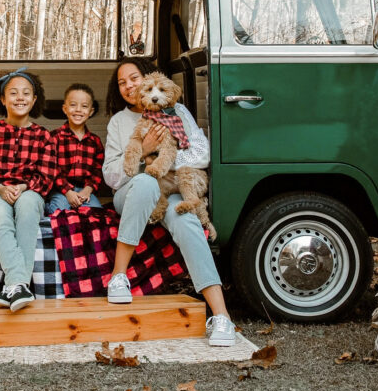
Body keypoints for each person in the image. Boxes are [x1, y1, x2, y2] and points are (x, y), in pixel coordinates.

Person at [102, 58, 236, 346]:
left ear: (148, 78)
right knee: (147, 181)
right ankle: (118, 276)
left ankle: (222, 316)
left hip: (173, 189)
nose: (128, 86)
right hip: (133, 194)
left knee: (187, 220)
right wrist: (143, 152)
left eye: (134, 78)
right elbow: (111, 178)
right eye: (122, 82)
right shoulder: (119, 122)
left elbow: (202, 154)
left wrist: (166, 161)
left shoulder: (177, 111)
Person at [0, 68, 57, 312]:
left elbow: (48, 175)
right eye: (13, 93)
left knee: (28, 206)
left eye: (26, 93)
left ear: (34, 99)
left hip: (28, 191)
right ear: (2, 99)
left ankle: (14, 284)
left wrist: (23, 186)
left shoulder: (43, 137)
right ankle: (20, 283)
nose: (20, 98)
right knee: (0, 216)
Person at [47, 83, 105, 215]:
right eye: (73, 105)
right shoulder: (54, 137)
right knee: (60, 213)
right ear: (64, 108)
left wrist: (87, 190)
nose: (78, 110)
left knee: (97, 216)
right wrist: (67, 192)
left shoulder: (95, 141)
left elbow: (98, 171)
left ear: (91, 112)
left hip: (85, 191)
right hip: (61, 190)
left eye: (84, 106)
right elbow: (52, 170)